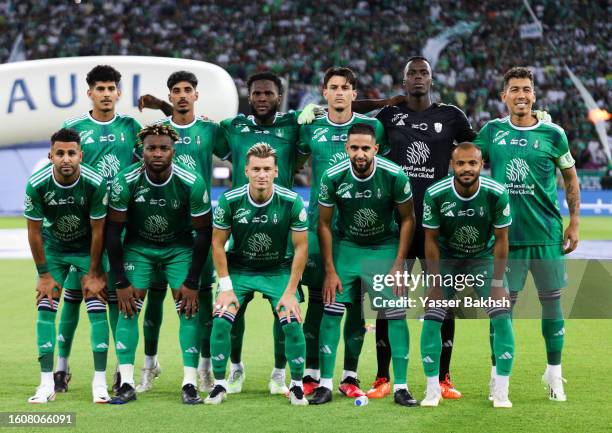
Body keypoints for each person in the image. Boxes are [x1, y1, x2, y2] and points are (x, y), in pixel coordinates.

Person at [139, 71, 304, 395]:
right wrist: (162, 105)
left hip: (282, 223)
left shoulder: (293, 124)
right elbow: (187, 124)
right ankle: (233, 368)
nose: (261, 98)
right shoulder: (231, 127)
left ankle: (280, 374)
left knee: (284, 309)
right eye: (256, 93)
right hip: (237, 226)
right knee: (227, 304)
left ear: (278, 97)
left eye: (268, 93)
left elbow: (326, 122)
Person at [351, 56, 476, 399]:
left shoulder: (451, 116)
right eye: (412, 73)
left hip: (439, 227)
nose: (418, 77)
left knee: (443, 300)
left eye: (423, 72)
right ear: (403, 81)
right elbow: (350, 114)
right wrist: (384, 102)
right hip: (397, 226)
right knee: (387, 301)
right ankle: (381, 377)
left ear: (432, 79)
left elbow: (479, 146)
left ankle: (444, 377)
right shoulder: (390, 116)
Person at [474, 67, 580, 402]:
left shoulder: (553, 134)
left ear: (534, 95)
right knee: (501, 310)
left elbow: (571, 178)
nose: (522, 95)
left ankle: (554, 373)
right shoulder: (492, 132)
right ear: (503, 96)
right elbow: (463, 160)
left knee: (552, 306)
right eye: (515, 89)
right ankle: (497, 377)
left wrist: (574, 221)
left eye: (527, 89)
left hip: (546, 235)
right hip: (505, 239)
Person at [309, 123, 417, 406]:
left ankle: (401, 387)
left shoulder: (394, 175)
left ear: (375, 149)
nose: (360, 153)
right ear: (346, 149)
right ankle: (324, 385)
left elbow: (408, 219)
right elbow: (323, 223)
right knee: (331, 311)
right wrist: (330, 270)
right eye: (354, 148)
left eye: (365, 148)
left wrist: (398, 265)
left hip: (384, 248)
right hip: (348, 248)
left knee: (395, 313)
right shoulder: (332, 176)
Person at [296, 67, 388, 396]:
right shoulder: (310, 126)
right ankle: (311, 371)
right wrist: (299, 114)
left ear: (353, 93)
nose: (338, 93)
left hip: (357, 234)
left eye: (345, 88)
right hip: (318, 229)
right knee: (318, 303)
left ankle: (349, 375)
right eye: (333, 87)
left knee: (354, 306)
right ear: (324, 92)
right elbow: (289, 157)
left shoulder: (372, 129)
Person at [106, 124, 213, 405]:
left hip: (178, 248)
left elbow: (204, 233)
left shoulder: (192, 181)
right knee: (128, 308)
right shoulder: (124, 181)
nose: (157, 153)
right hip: (139, 248)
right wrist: (121, 281)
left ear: (173, 152)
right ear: (141, 150)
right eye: (151, 148)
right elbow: (113, 232)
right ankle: (126, 382)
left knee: (189, 309)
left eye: (163, 148)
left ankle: (189, 383)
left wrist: (192, 282)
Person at [135, 71, 225, 395]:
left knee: (199, 300)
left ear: (196, 96)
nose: (183, 95)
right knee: (153, 299)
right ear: (170, 96)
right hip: (160, 229)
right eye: (176, 91)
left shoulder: (211, 129)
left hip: (197, 229)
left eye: (188, 90)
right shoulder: (158, 135)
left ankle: (204, 367)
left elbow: (238, 152)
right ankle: (149, 365)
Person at [55, 65, 142, 394]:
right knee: (75, 296)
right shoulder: (74, 128)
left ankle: (123, 370)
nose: (106, 94)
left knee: (119, 297)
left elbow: (147, 159)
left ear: (119, 93)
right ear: (89, 92)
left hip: (121, 226)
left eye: (111, 88)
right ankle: (61, 368)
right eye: (100, 88)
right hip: (82, 227)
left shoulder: (130, 127)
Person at [207, 143, 308, 406]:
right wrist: (226, 286)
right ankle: (224, 380)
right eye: (256, 169)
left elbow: (301, 248)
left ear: (276, 172)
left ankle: (290, 382)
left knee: (291, 320)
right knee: (221, 319)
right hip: (240, 268)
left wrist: (289, 292)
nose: (261, 174)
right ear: (246, 171)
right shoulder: (230, 200)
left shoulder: (291, 201)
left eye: (266, 169)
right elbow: (217, 244)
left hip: (278, 270)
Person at [420, 142, 515, 408]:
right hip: (448, 260)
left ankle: (501, 389)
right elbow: (430, 240)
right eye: (460, 163)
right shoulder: (436, 193)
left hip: (482, 260)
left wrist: (497, 283)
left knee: (502, 318)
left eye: (472, 163)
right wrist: (436, 283)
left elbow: (502, 240)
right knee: (432, 319)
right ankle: (432, 389)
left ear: (481, 164)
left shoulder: (496, 192)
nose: (466, 168)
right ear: (452, 165)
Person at [25, 128, 109, 403]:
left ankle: (100, 382)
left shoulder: (95, 183)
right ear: (50, 156)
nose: (66, 159)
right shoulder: (37, 184)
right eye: (60, 153)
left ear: (80, 156)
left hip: (86, 249)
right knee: (46, 308)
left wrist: (95, 272)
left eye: (71, 153)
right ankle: (46, 383)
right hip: (55, 251)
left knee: (97, 308)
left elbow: (99, 231)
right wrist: (44, 274)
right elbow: (34, 232)